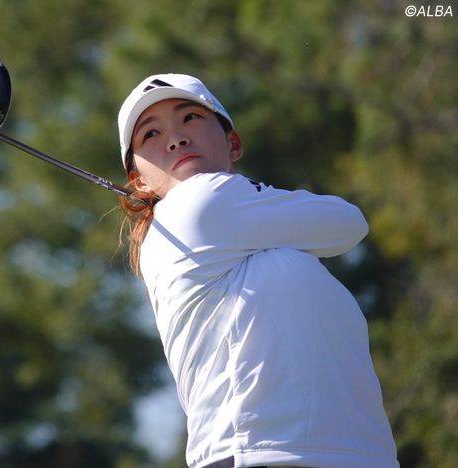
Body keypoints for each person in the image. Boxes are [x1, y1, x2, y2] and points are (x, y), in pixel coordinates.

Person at [116, 73, 399, 468]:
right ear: (138, 181)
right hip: (259, 454)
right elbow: (348, 221)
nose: (175, 139)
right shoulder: (195, 205)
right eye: (151, 134)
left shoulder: (248, 229)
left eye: (190, 118)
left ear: (233, 142)